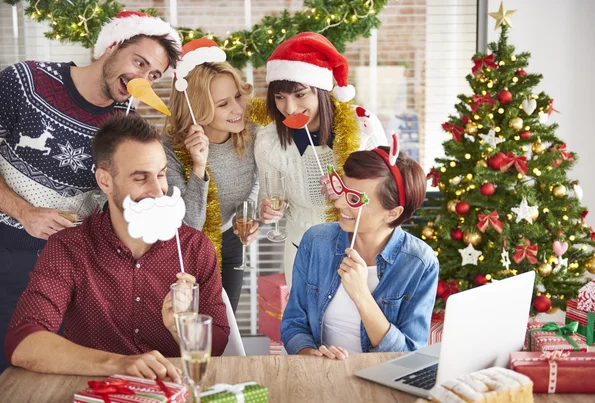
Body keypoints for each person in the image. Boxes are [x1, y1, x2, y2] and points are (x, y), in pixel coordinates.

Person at [0, 11, 181, 372]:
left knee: (61, 374)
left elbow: (125, 200)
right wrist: (24, 212)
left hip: (69, 269)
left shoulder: (126, 127)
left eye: (153, 75)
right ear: (112, 46)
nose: (142, 78)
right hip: (6, 251)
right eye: (139, 62)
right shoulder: (24, 81)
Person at [5, 114, 229, 380]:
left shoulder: (195, 247)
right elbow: (23, 343)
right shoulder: (68, 248)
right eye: (141, 178)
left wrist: (182, 327)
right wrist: (118, 364)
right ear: (105, 181)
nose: (158, 191)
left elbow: (217, 347)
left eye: (160, 174)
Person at [254, 32, 387, 286]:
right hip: (301, 250)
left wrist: (347, 195)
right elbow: (272, 195)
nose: (289, 108)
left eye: (300, 95)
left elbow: (385, 197)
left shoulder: (362, 128)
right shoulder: (269, 141)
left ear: (322, 91)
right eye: (280, 97)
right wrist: (269, 209)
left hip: (357, 253)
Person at [281, 148, 439, 358]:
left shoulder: (420, 263)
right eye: (341, 190)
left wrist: (361, 295)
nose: (338, 203)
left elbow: (408, 354)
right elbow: (293, 323)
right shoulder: (316, 241)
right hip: (319, 374)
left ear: (392, 213)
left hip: (381, 377)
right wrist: (311, 354)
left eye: (354, 200)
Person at [164, 39, 259, 313]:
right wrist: (198, 166)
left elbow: (261, 181)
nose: (238, 109)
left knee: (225, 325)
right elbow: (190, 223)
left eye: (238, 97)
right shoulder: (169, 150)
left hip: (231, 241)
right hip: (184, 249)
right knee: (188, 324)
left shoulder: (252, 136)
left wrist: (251, 216)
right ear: (198, 108)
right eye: (223, 103)